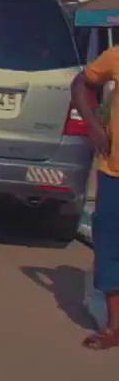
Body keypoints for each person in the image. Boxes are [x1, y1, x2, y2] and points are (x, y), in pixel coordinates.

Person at [71, 46, 119, 349]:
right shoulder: (115, 56)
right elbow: (81, 82)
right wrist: (92, 124)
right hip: (114, 172)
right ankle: (114, 328)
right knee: (110, 247)